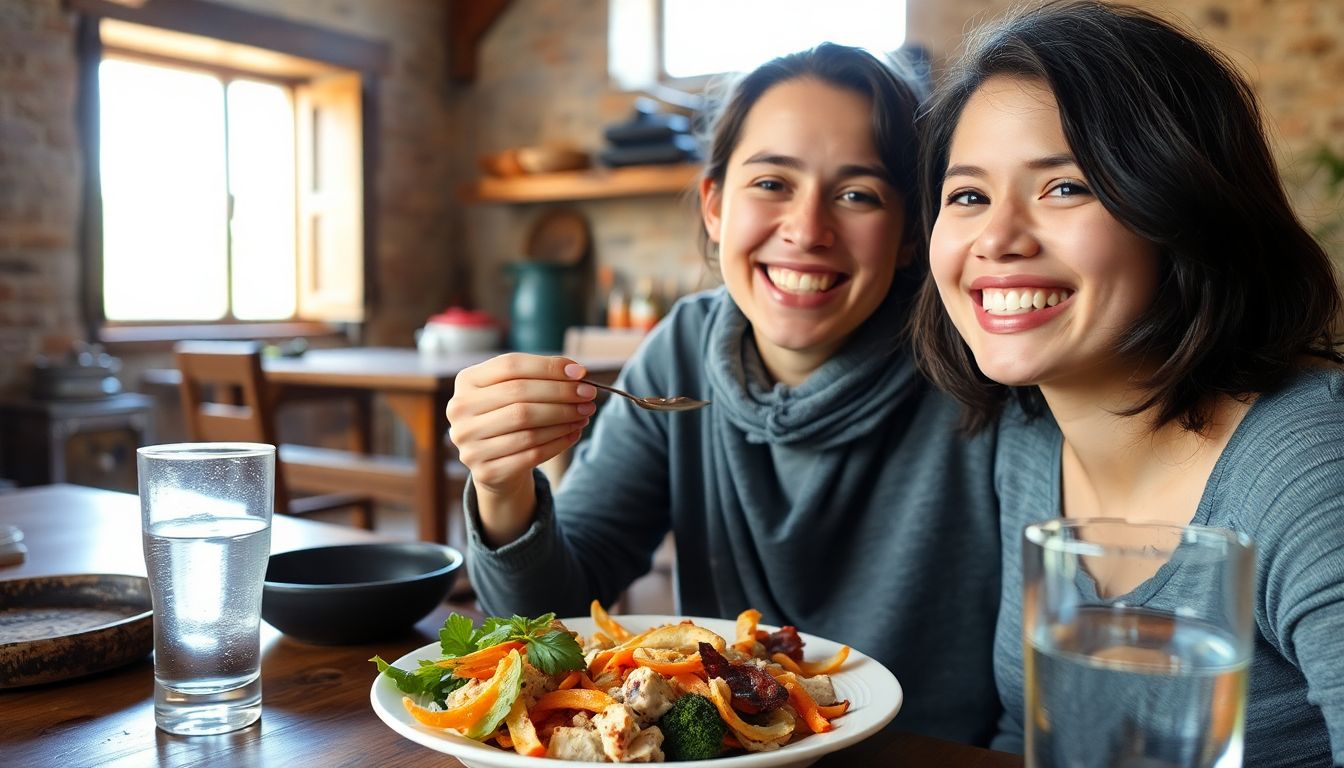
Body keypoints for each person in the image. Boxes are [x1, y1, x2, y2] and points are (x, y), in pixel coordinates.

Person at [446, 43, 1003, 744]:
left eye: (857, 194)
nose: (806, 230)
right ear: (714, 205)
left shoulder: (979, 371)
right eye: (772, 182)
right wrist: (501, 486)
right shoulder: (683, 350)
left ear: (907, 237)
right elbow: (551, 624)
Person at [909, 1, 1344, 764]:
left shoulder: (1309, 470)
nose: (997, 238)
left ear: (1179, 204)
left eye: (1065, 187)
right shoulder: (1028, 439)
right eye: (969, 196)